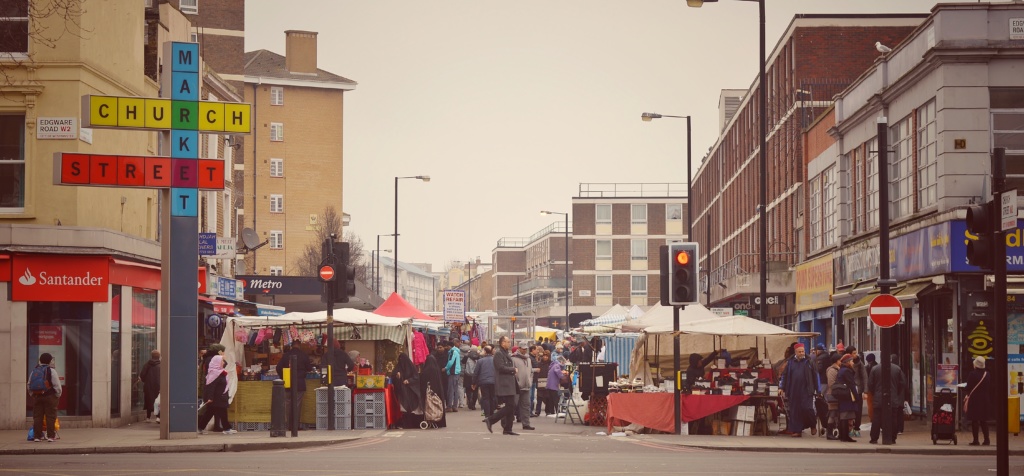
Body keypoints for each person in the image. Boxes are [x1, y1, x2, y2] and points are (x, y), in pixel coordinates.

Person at [867, 354, 907, 444]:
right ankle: (892, 437)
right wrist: (896, 392)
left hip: (878, 397)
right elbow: (903, 383)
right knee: (893, 418)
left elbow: (870, 384)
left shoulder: (875, 369)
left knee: (876, 418)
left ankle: (874, 438)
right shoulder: (897, 369)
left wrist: (875, 393)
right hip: (892, 397)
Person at [780, 343, 817, 437]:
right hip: (793, 390)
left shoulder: (809, 361)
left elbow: (816, 376)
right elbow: (784, 375)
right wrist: (781, 387)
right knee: (795, 411)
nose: (802, 353)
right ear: (796, 352)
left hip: (806, 390)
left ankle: (813, 424)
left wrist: (818, 390)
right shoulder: (790, 362)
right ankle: (798, 430)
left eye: (803, 351)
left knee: (807, 408)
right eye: (800, 351)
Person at [484, 336, 519, 435]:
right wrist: (513, 369)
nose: (509, 343)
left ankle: (508, 428)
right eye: (507, 342)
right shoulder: (499, 353)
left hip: (509, 382)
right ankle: (491, 419)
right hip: (504, 383)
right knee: (511, 405)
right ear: (502, 343)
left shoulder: (505, 353)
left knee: (511, 406)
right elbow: (500, 367)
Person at [276, 343, 311, 430]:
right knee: (297, 405)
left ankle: (289, 425)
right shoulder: (304, 355)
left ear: (292, 346)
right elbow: (309, 368)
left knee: (288, 405)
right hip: (299, 384)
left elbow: (278, 367)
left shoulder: (286, 355)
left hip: (288, 383)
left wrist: (283, 377)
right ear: (299, 346)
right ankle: (295, 426)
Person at [28, 353, 62, 442]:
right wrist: (57, 395)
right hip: (50, 396)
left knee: (37, 416)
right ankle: (51, 436)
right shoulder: (52, 371)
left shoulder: (34, 370)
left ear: (40, 360)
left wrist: (33, 394)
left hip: (37, 397)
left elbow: (29, 384)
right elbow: (57, 385)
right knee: (50, 416)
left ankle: (37, 436)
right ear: (50, 361)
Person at [202, 355, 235, 435]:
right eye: (222, 361)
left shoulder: (221, 372)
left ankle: (200, 426)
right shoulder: (214, 374)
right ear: (217, 362)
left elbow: (226, 364)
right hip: (217, 398)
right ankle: (227, 428)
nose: (224, 362)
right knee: (222, 413)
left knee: (209, 413)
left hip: (220, 397)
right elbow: (211, 387)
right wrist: (210, 397)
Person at [964, 356, 991, 446]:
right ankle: (987, 440)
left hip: (975, 399)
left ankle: (976, 440)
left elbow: (968, 387)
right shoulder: (987, 374)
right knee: (984, 420)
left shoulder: (972, 374)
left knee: (975, 420)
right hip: (985, 399)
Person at [391, 352, 422, 429]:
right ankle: (405, 424)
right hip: (403, 391)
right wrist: (397, 377)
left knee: (413, 408)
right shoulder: (398, 368)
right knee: (404, 409)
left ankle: (414, 424)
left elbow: (416, 377)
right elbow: (393, 378)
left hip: (411, 390)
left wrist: (409, 381)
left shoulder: (411, 367)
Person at [420, 353, 448, 428]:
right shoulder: (436, 369)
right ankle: (439, 421)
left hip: (429, 391)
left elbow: (423, 380)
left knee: (430, 406)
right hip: (438, 391)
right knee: (438, 406)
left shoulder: (426, 369)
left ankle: (430, 420)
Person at [836, 354, 859, 442]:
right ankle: (845, 436)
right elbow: (851, 385)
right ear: (847, 362)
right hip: (847, 395)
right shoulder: (847, 371)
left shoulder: (842, 370)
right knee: (845, 416)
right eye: (851, 361)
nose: (853, 362)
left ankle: (843, 435)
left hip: (842, 395)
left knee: (843, 416)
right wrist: (856, 396)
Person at [511, 345, 535, 430]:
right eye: (523, 348)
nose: (524, 350)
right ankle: (507, 422)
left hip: (526, 386)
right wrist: (516, 381)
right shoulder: (513, 358)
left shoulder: (528, 359)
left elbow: (531, 371)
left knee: (526, 405)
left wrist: (530, 381)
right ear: (519, 349)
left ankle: (526, 424)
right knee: (512, 405)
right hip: (517, 386)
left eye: (526, 349)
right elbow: (511, 371)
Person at [846, 346, 866, 438]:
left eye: (856, 353)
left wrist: (865, 391)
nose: (856, 354)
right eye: (854, 353)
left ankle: (856, 428)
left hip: (857, 389)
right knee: (848, 410)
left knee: (858, 410)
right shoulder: (845, 362)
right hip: (847, 390)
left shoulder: (859, 363)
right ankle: (849, 428)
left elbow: (864, 377)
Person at [138, 349, 161, 423]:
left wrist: (146, 381)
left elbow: (142, 375)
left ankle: (148, 417)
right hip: (158, 386)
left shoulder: (147, 364)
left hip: (148, 386)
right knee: (157, 401)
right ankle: (158, 417)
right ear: (159, 356)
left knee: (149, 400)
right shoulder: (161, 365)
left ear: (152, 356)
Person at [474, 345, 496, 418]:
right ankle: (492, 414)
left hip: (483, 382)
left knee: (486, 398)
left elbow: (476, 372)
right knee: (492, 397)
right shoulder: (495, 360)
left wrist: (473, 382)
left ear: (485, 352)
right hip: (493, 381)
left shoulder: (480, 361)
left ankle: (487, 415)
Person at [824, 352, 842, 440]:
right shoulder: (832, 370)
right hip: (832, 394)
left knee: (836, 414)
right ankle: (829, 433)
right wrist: (842, 386)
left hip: (837, 395)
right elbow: (831, 383)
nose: (841, 362)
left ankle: (833, 432)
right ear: (836, 361)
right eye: (840, 360)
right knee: (832, 413)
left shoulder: (837, 369)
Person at [443, 341, 461, 412]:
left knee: (451, 390)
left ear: (449, 346)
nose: (446, 348)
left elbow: (451, 361)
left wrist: (445, 368)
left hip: (453, 372)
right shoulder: (456, 351)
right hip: (456, 372)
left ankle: (450, 406)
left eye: (446, 346)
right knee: (455, 390)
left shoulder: (452, 352)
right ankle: (455, 406)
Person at [546, 351, 566, 417]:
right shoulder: (557, 365)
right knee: (555, 399)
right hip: (553, 385)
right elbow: (557, 372)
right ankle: (558, 411)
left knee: (551, 399)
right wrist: (563, 375)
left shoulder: (553, 364)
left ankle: (552, 412)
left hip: (549, 385)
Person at [535, 350, 554, 416]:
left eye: (546, 356)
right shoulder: (539, 364)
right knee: (539, 397)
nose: (545, 357)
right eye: (544, 356)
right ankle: (537, 411)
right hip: (540, 381)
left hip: (548, 382)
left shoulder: (551, 364)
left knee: (548, 397)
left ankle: (547, 411)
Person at [463, 345, 480, 411]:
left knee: (468, 389)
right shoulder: (478, 356)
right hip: (475, 375)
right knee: (475, 390)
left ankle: (469, 399)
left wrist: (467, 353)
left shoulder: (467, 356)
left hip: (467, 375)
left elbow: (463, 361)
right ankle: (473, 404)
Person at [863, 353, 878, 420]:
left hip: (869, 389)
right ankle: (876, 417)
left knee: (870, 404)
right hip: (877, 388)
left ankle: (872, 417)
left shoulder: (867, 367)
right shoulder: (877, 366)